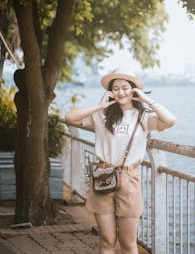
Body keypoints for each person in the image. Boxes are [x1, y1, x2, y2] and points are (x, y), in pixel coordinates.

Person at [65, 68, 176, 254]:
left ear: (133, 90)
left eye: (125, 87)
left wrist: (146, 100)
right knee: (107, 240)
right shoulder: (102, 115)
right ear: (110, 92)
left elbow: (170, 120)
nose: (120, 92)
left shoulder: (143, 117)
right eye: (115, 88)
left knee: (128, 243)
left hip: (129, 178)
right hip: (103, 176)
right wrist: (100, 106)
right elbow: (69, 117)